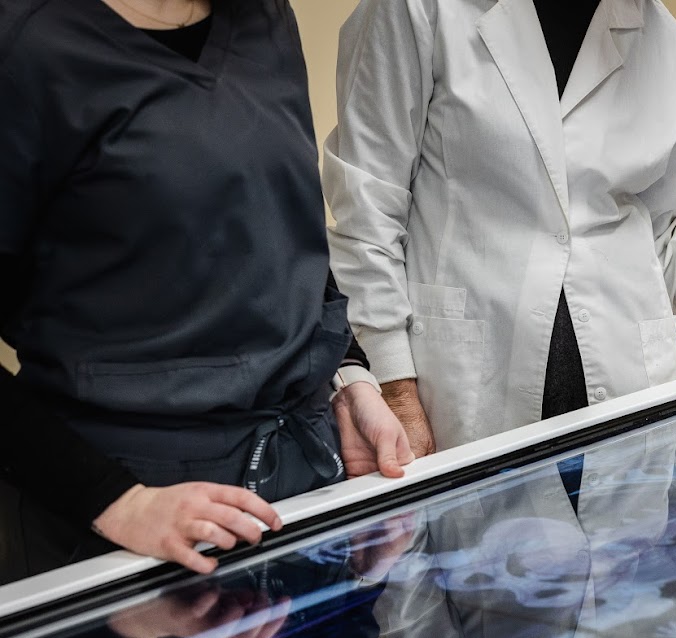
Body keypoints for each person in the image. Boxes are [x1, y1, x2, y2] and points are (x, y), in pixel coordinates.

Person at [323, 0, 676, 457]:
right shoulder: (417, 11)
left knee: (625, 574)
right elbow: (366, 218)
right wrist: (396, 387)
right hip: (464, 391)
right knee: (465, 582)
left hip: (624, 395)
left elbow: (655, 247)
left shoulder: (667, 45)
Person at [0, 0, 414, 581]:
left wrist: (349, 376)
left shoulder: (265, 18)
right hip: (127, 522)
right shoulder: (25, 49)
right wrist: (119, 503)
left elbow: (276, 229)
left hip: (303, 484)